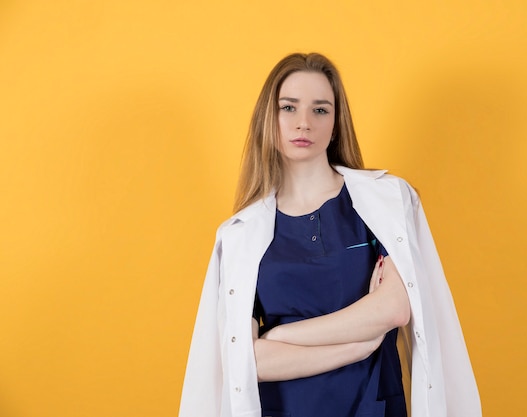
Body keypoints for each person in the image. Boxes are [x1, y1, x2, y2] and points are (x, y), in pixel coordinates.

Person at [179, 52, 481, 417]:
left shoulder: (385, 201)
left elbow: (393, 308)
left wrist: (278, 338)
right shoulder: (238, 236)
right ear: (267, 119)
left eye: (320, 110)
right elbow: (247, 362)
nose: (303, 123)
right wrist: (360, 346)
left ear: (336, 124)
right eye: (288, 108)